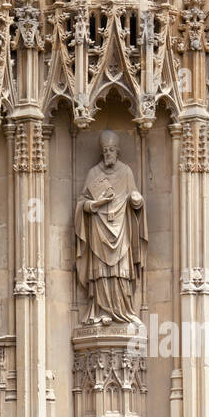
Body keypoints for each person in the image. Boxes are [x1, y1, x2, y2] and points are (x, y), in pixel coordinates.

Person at [74, 131, 146, 325]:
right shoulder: (94, 173)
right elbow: (82, 204)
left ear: (118, 151)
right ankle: (100, 311)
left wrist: (137, 200)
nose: (108, 153)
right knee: (101, 272)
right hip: (98, 229)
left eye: (111, 150)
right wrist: (97, 204)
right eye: (105, 150)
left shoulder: (126, 172)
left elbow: (135, 197)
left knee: (120, 271)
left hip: (121, 228)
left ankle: (124, 311)